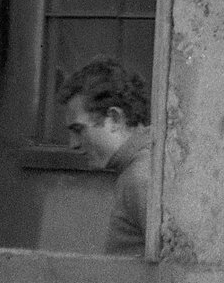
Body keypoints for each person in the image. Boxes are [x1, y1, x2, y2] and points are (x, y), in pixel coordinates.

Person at [57, 57, 156, 257]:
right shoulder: (145, 166)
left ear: (115, 119)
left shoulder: (140, 177)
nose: (73, 144)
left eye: (78, 129)